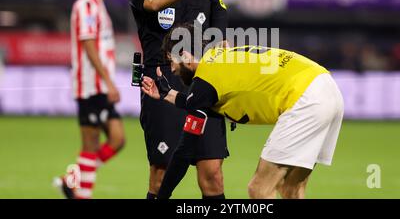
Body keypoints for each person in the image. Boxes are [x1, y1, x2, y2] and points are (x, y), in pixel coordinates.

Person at [141, 23, 345, 199]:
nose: (172, 69)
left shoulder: (205, 80)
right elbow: (202, 101)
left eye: (172, 61)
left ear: (185, 55)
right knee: (291, 188)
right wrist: (167, 94)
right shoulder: (219, 56)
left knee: (259, 190)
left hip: (305, 99)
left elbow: (184, 152)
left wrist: (163, 195)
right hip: (326, 85)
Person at [126, 0, 230, 199]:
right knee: (161, 172)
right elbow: (153, 3)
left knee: (212, 174)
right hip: (160, 85)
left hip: (202, 84)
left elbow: (220, 41)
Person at [54, 0, 125, 199]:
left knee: (117, 139)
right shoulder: (85, 5)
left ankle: (71, 179)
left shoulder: (98, 5)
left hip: (100, 87)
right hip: (90, 86)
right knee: (91, 145)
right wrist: (108, 81)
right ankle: (82, 194)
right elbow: (88, 45)